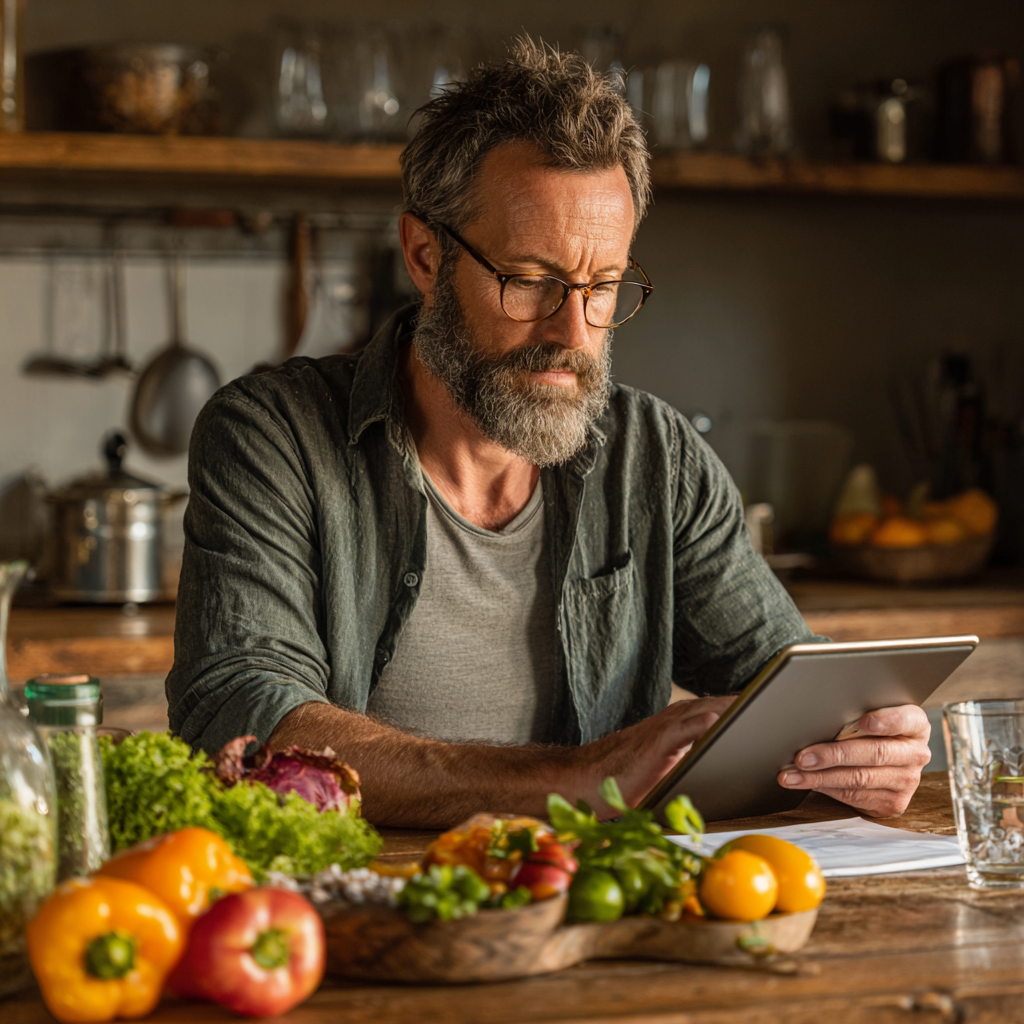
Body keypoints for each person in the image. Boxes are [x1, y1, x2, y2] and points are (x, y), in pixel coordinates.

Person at [167, 40, 931, 828]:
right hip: (354, 893)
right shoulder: (272, 436)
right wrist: (575, 777)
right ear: (425, 256)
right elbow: (242, 713)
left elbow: (787, 683)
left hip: (596, 896)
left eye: (603, 287)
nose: (573, 332)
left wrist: (862, 741)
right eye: (531, 281)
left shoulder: (656, 458)